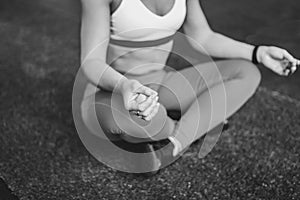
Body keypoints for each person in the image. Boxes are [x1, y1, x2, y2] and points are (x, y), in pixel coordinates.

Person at [78, 0, 299, 172]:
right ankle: (194, 122)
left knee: (246, 72)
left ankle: (174, 144)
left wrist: (257, 52)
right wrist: (124, 85)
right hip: (110, 92)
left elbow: (202, 36)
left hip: (160, 84)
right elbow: (92, 62)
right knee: (147, 121)